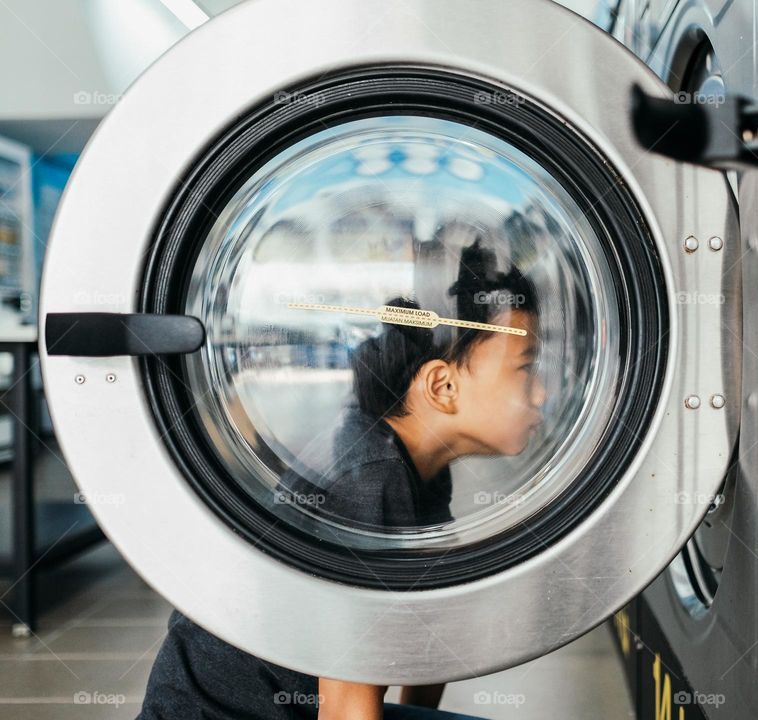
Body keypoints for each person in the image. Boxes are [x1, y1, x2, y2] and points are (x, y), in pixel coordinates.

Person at [137, 238, 545, 720]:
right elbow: (345, 706)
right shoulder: (370, 479)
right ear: (443, 387)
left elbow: (431, 624)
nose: (540, 393)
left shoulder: (416, 459)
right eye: (525, 368)